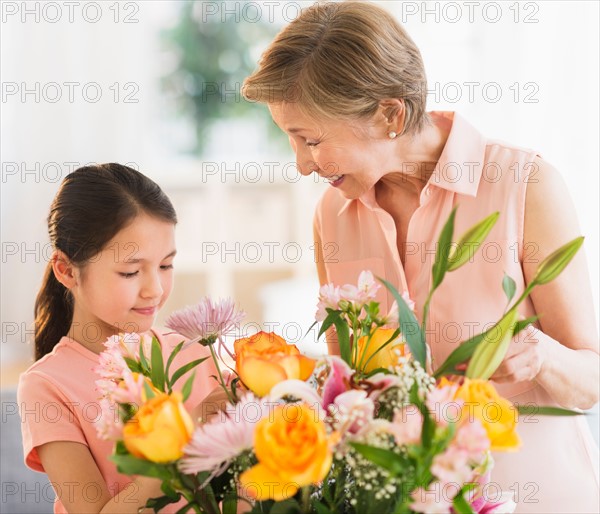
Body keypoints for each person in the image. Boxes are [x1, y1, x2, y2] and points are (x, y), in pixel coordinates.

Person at [242, 2, 599, 512]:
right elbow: (354, 388)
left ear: (390, 113)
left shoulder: (524, 185)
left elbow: (591, 382)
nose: (301, 165)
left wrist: (539, 353)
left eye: (312, 140)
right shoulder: (333, 213)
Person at [17, 164, 219, 513]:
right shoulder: (46, 386)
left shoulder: (193, 352)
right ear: (66, 270)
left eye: (166, 266)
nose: (154, 289)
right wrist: (190, 437)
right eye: (130, 271)